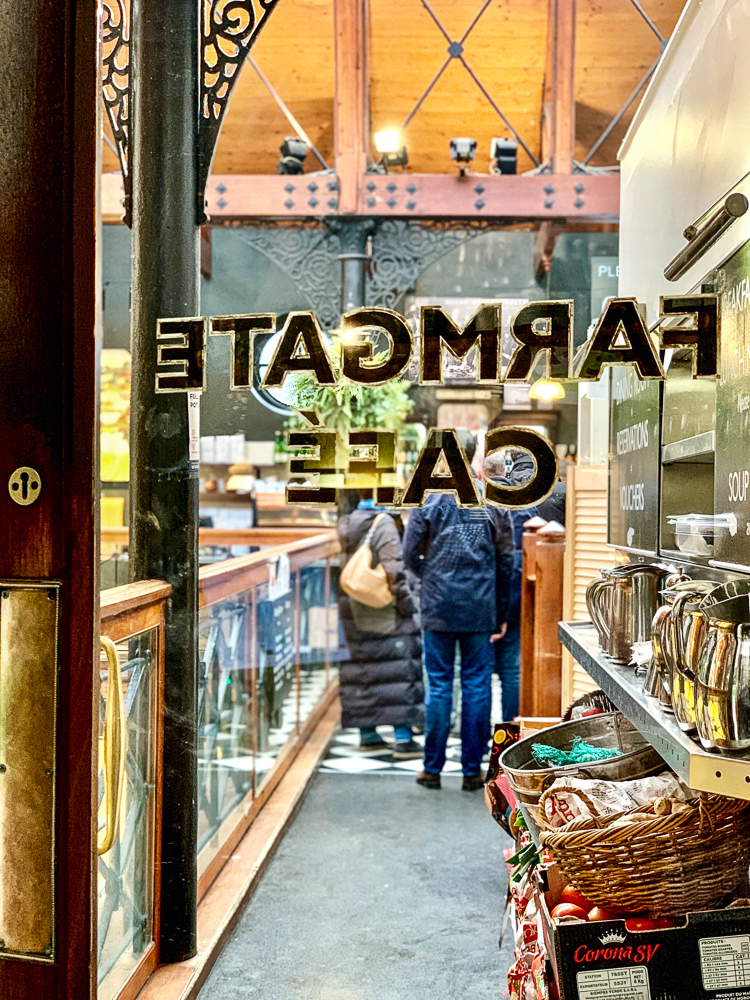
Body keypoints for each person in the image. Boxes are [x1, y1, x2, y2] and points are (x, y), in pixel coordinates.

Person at [403, 430, 514, 790]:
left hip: (438, 606)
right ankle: (472, 772)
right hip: (479, 606)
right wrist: (500, 611)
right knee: (477, 685)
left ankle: (432, 769)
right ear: (474, 455)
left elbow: (409, 556)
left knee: (438, 685)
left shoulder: (427, 498)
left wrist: (430, 580)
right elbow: (506, 559)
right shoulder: (491, 499)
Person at [337, 494, 424, 758]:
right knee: (397, 670)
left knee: (363, 670)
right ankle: (403, 737)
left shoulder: (347, 521)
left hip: (355, 607)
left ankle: (368, 733)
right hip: (384, 609)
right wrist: (407, 605)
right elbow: (394, 569)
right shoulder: (383, 521)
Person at [482, 449, 541, 721]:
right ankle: (508, 730)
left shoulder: (479, 504)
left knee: (478, 669)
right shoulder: (526, 503)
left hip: (484, 591)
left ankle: (473, 733)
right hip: (520, 589)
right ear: (505, 472)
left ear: (484, 475)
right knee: (511, 666)